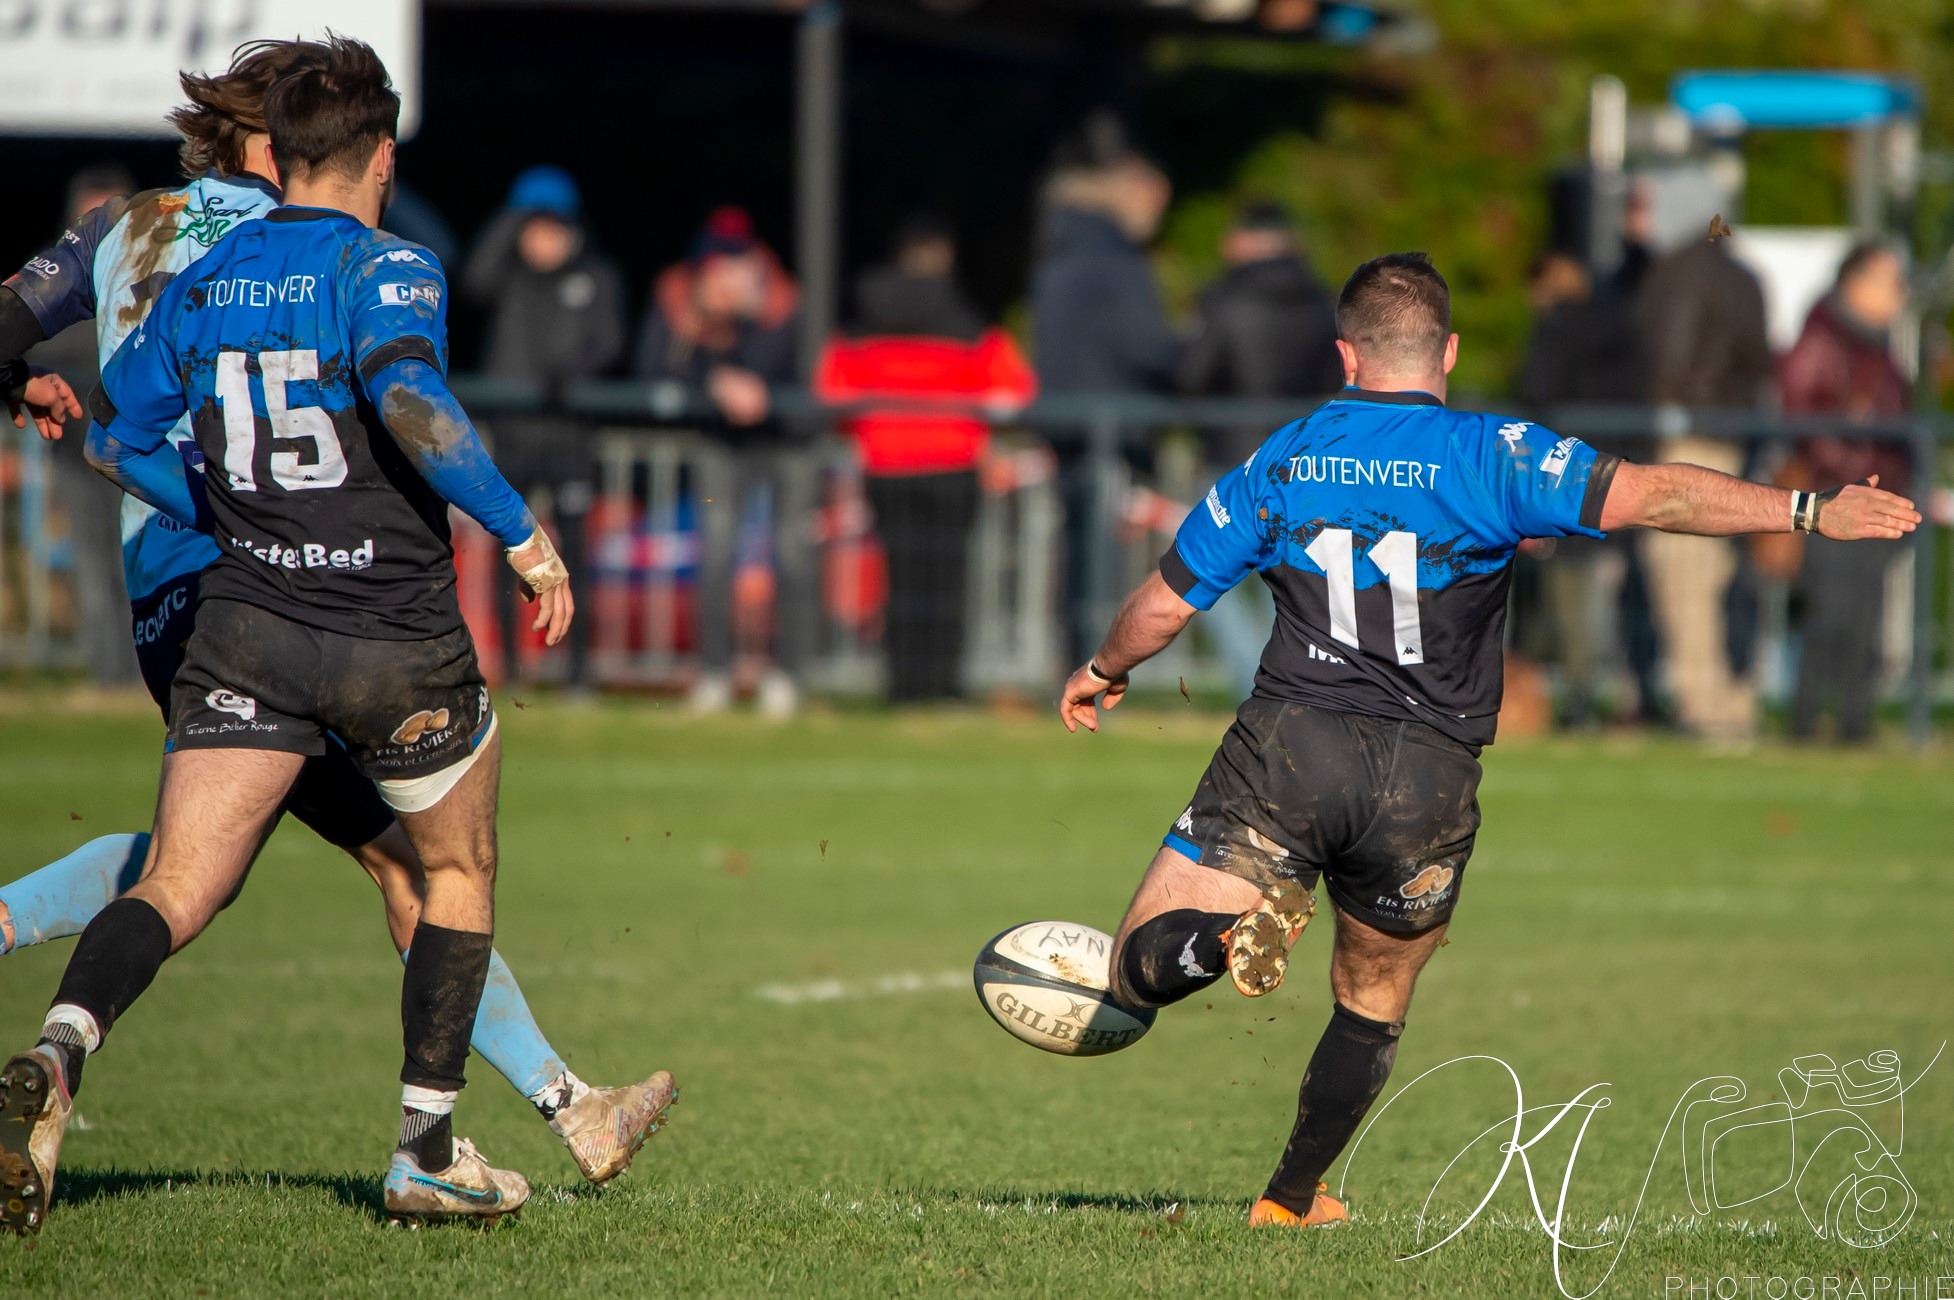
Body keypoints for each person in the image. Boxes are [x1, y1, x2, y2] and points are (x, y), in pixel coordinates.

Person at [1055, 253, 1918, 1229]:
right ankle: (1289, 1199)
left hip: (1290, 747)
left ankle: (1223, 938)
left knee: (1129, 971)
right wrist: (1809, 509)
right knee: (1371, 990)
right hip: (1426, 779)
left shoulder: (1286, 456)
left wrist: (1103, 666)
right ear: (1449, 351)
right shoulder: (1493, 452)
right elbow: (1659, 495)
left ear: (1346, 355)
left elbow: (1165, 603)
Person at [0, 41, 674, 1234]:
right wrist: (518, 534)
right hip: (336, 608)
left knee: (192, 865)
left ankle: (58, 1050)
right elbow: (412, 402)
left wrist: (34, 389)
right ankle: (478, 1130)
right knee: (425, 866)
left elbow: (93, 414)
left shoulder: (126, 227)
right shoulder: (359, 258)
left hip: (217, 614)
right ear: (299, 149)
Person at [816, 214, 1037, 702]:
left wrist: (870, 428)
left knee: (898, 577)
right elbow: (1016, 390)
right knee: (948, 580)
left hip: (886, 462)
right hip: (953, 460)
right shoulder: (968, 320)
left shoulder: (860, 321)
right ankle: (943, 686)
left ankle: (902, 686)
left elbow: (831, 392)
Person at [633, 207, 806, 717]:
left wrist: (746, 329)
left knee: (793, 554)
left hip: (786, 440)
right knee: (716, 552)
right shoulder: (680, 294)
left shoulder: (781, 298)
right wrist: (706, 333)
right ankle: (713, 671)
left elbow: (793, 372)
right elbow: (653, 369)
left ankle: (787, 675)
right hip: (718, 439)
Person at [462, 166, 626, 691]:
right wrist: (511, 221)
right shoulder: (507, 274)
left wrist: (571, 373)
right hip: (513, 436)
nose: (544, 239)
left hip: (570, 437)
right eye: (533, 226)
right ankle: (511, 670)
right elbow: (473, 280)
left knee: (575, 554)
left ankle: (578, 673)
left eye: (554, 226)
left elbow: (611, 343)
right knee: (510, 554)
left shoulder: (596, 277)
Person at [1178, 198, 1343, 697]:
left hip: (1231, 453)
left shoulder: (1222, 300)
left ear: (1246, 240)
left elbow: (1192, 376)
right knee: (1295, 577)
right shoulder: (1326, 302)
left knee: (1205, 566)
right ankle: (1294, 679)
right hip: (1305, 458)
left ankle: (1253, 677)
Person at [1031, 118, 1179, 664]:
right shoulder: (1117, 260)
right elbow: (1145, 347)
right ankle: (1104, 666)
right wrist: (1187, 353)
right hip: (1112, 428)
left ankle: (1073, 659)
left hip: (1066, 422)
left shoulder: (1059, 250)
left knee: (1078, 552)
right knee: (1106, 561)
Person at [1637, 220, 1776, 741]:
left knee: (1685, 577)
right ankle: (1737, 696)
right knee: (1725, 578)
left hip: (1683, 438)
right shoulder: (1745, 279)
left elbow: (1663, 363)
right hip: (1732, 436)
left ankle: (1703, 702)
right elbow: (1761, 363)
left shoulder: (1675, 274)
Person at [1781, 241, 1914, 743]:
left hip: (1875, 495)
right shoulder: (1823, 337)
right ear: (1854, 282)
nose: (1898, 293)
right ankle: (1806, 723)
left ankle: (1854, 724)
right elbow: (1800, 414)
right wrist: (1847, 473)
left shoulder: (1878, 344)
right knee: (1829, 616)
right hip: (1831, 498)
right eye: (1889, 280)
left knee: (1865, 620)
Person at [1512, 249, 1649, 726]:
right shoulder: (1624, 322)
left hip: (1566, 474)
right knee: (1616, 591)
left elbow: (1535, 389)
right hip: (1624, 469)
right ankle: (1625, 693)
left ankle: (1579, 697)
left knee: (1571, 591)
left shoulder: (1556, 329)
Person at [26, 165, 141, 686]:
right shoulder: (51, 290)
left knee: (137, 565)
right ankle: (109, 679)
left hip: (138, 457)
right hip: (73, 455)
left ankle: (145, 678)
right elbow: (32, 347)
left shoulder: (150, 286)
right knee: (94, 570)